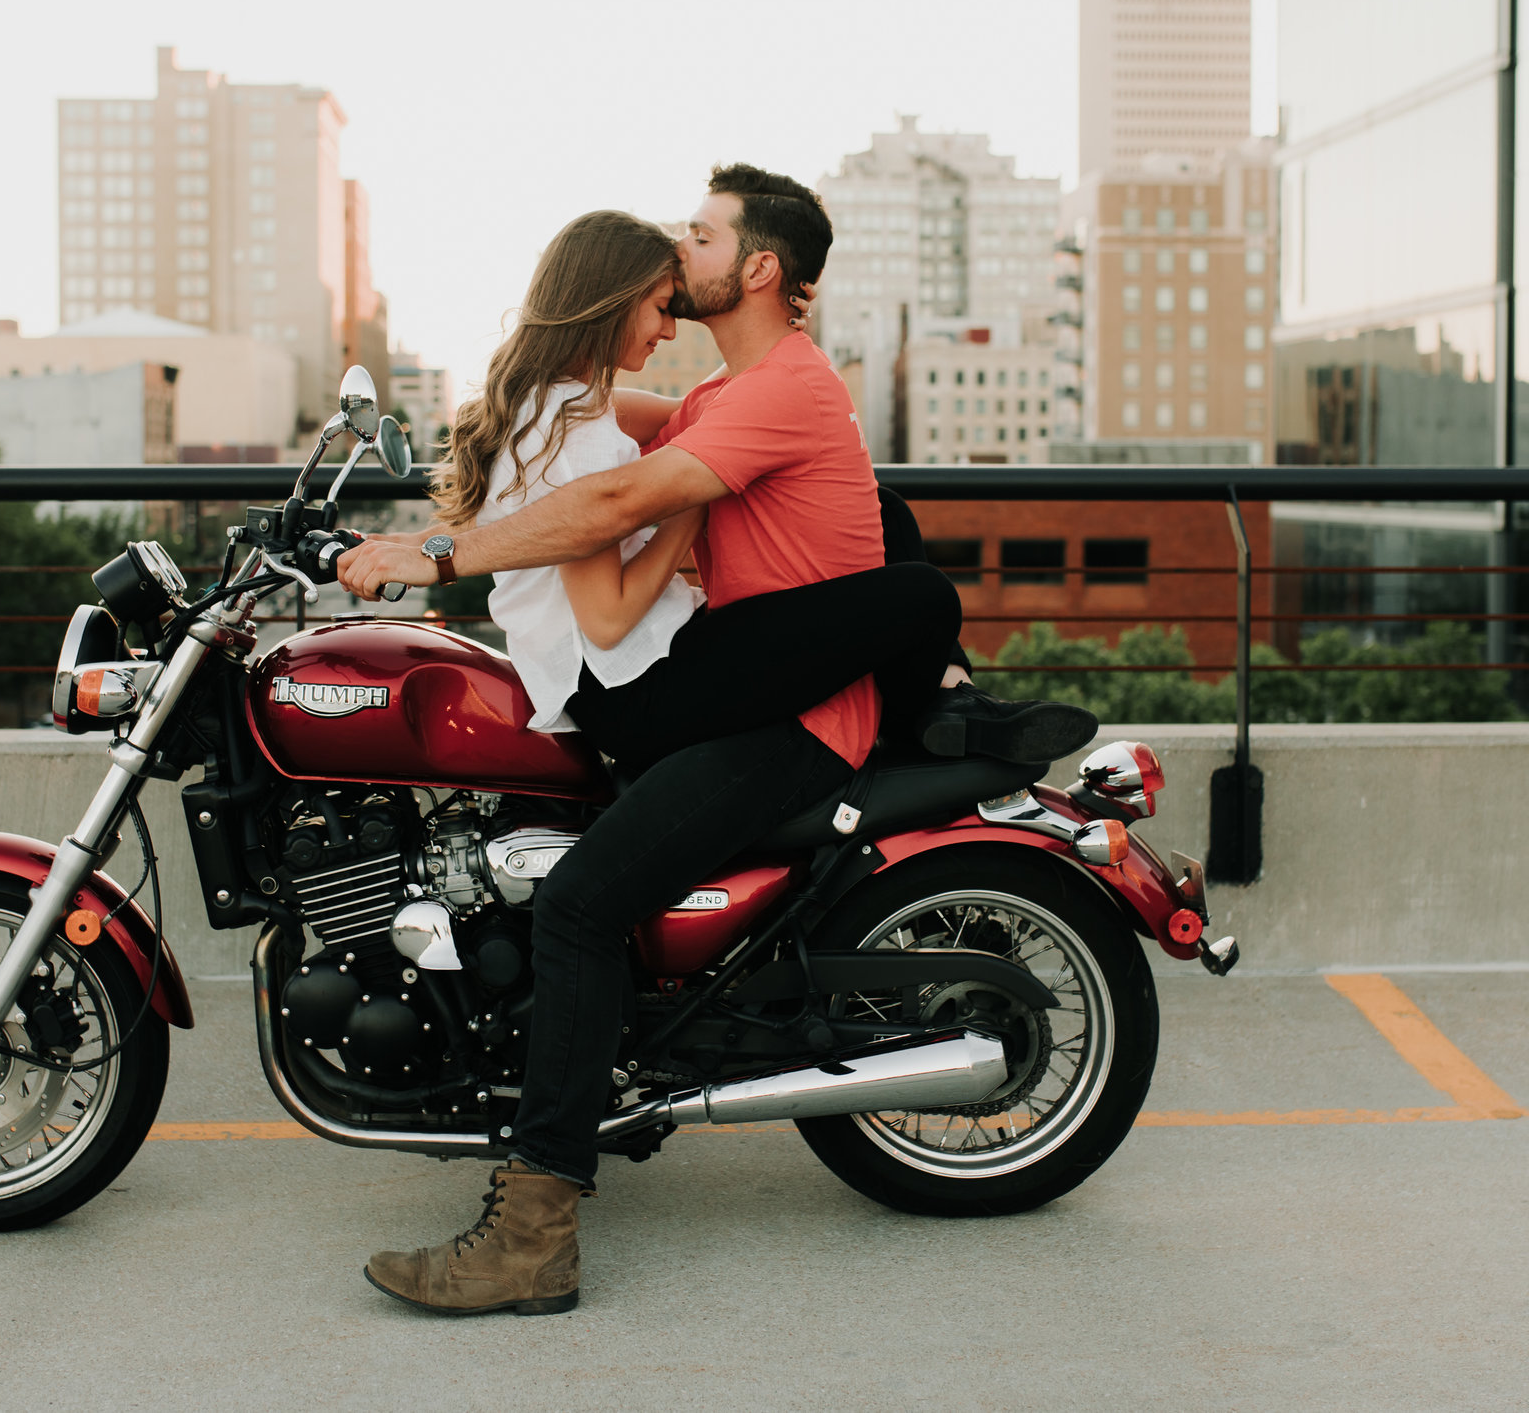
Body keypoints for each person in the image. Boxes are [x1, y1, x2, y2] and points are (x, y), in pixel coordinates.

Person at [339, 166, 1093, 1318]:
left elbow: (606, 505)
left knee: (585, 902)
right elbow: (596, 435)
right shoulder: (724, 396)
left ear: (755, 269)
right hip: (725, 684)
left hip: (779, 719)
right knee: (896, 558)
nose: (677, 253)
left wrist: (430, 553)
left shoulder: (780, 387)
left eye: (696, 237)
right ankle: (942, 686)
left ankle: (534, 1231)